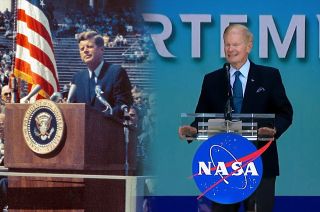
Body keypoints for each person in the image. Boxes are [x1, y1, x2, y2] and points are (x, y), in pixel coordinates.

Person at [179, 24, 293, 212]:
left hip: (261, 162)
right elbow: (202, 117)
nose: (230, 50)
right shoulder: (212, 80)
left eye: (236, 45)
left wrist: (273, 129)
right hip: (225, 165)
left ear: (249, 46)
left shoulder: (269, 76)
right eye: (227, 45)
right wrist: (192, 130)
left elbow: (284, 112)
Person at [71, 31, 133, 119]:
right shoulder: (77, 78)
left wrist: (99, 119)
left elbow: (123, 104)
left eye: (89, 47)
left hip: (108, 130)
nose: (85, 51)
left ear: (102, 49)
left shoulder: (116, 72)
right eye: (81, 49)